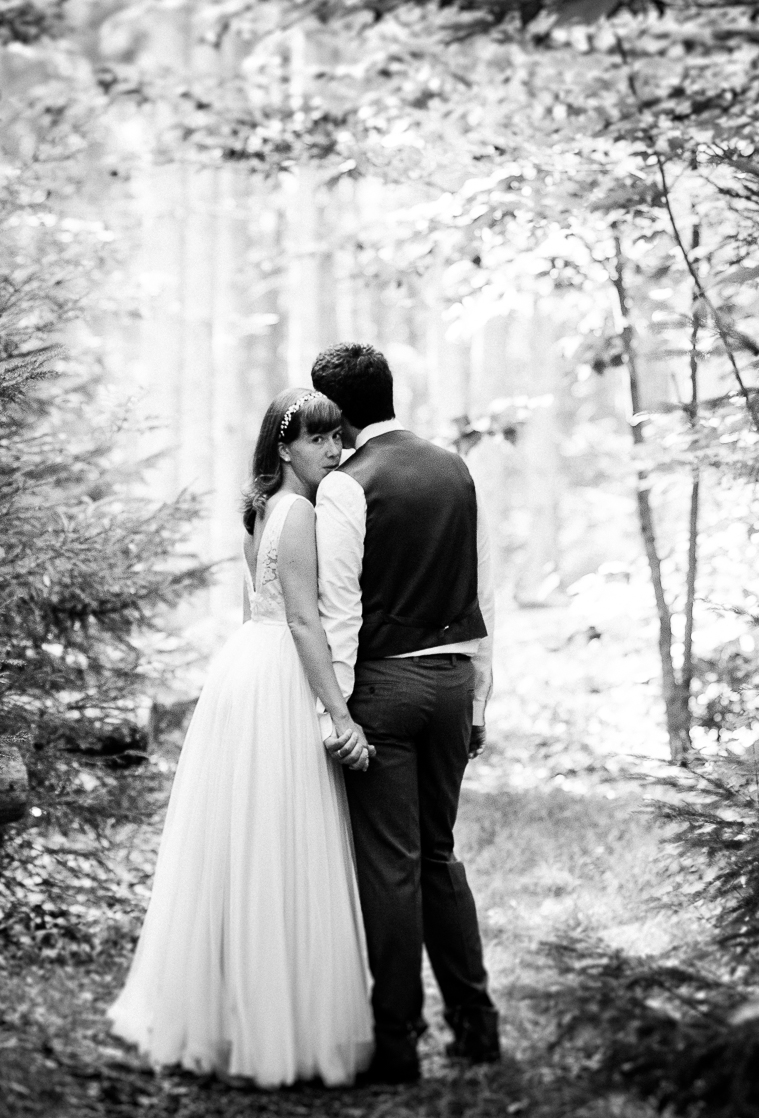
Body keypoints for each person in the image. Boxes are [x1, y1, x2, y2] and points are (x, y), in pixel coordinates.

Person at [107, 387, 376, 1088]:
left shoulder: (259, 508)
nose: (332, 450)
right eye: (316, 439)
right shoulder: (298, 512)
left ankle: (234, 1011)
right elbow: (304, 622)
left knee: (245, 841)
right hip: (279, 676)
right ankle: (271, 1020)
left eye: (335, 437)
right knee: (281, 839)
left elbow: (253, 607)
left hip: (243, 669)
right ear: (284, 447)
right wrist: (339, 713)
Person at [312, 343, 501, 1085]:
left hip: (384, 689)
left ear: (335, 409)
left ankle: (397, 1046)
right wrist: (482, 695)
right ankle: (476, 1029)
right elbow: (484, 593)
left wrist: (338, 712)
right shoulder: (455, 467)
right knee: (438, 856)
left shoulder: (346, 486)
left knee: (390, 868)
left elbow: (340, 612)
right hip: (454, 682)